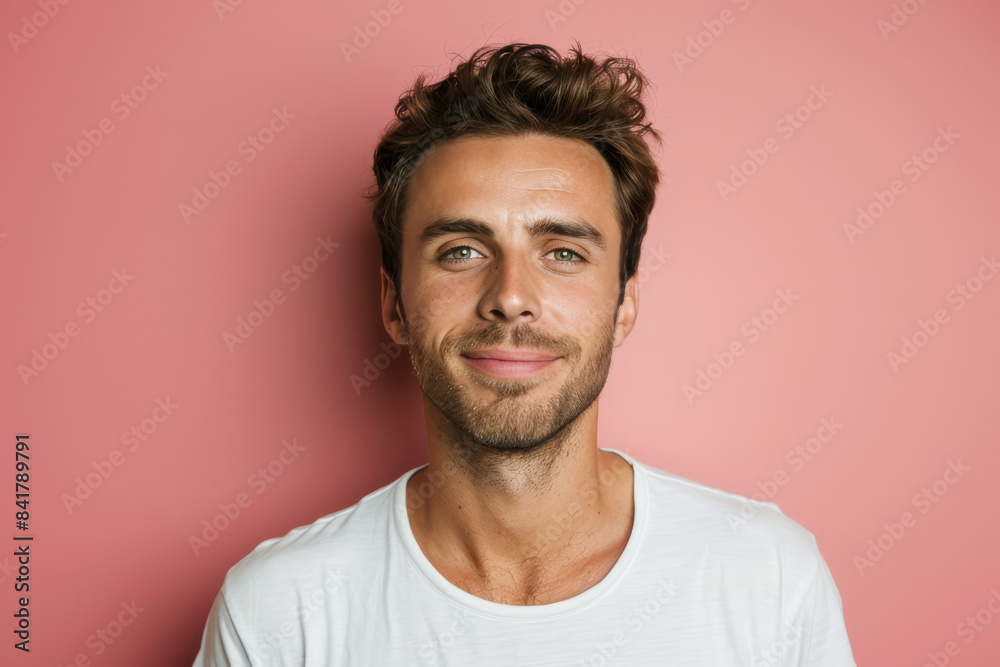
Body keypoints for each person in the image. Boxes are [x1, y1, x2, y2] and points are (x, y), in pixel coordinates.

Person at [192, 42, 857, 666]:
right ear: (394, 303)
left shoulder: (769, 580)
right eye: (461, 251)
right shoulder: (279, 614)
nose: (510, 297)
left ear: (623, 302)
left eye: (564, 253)